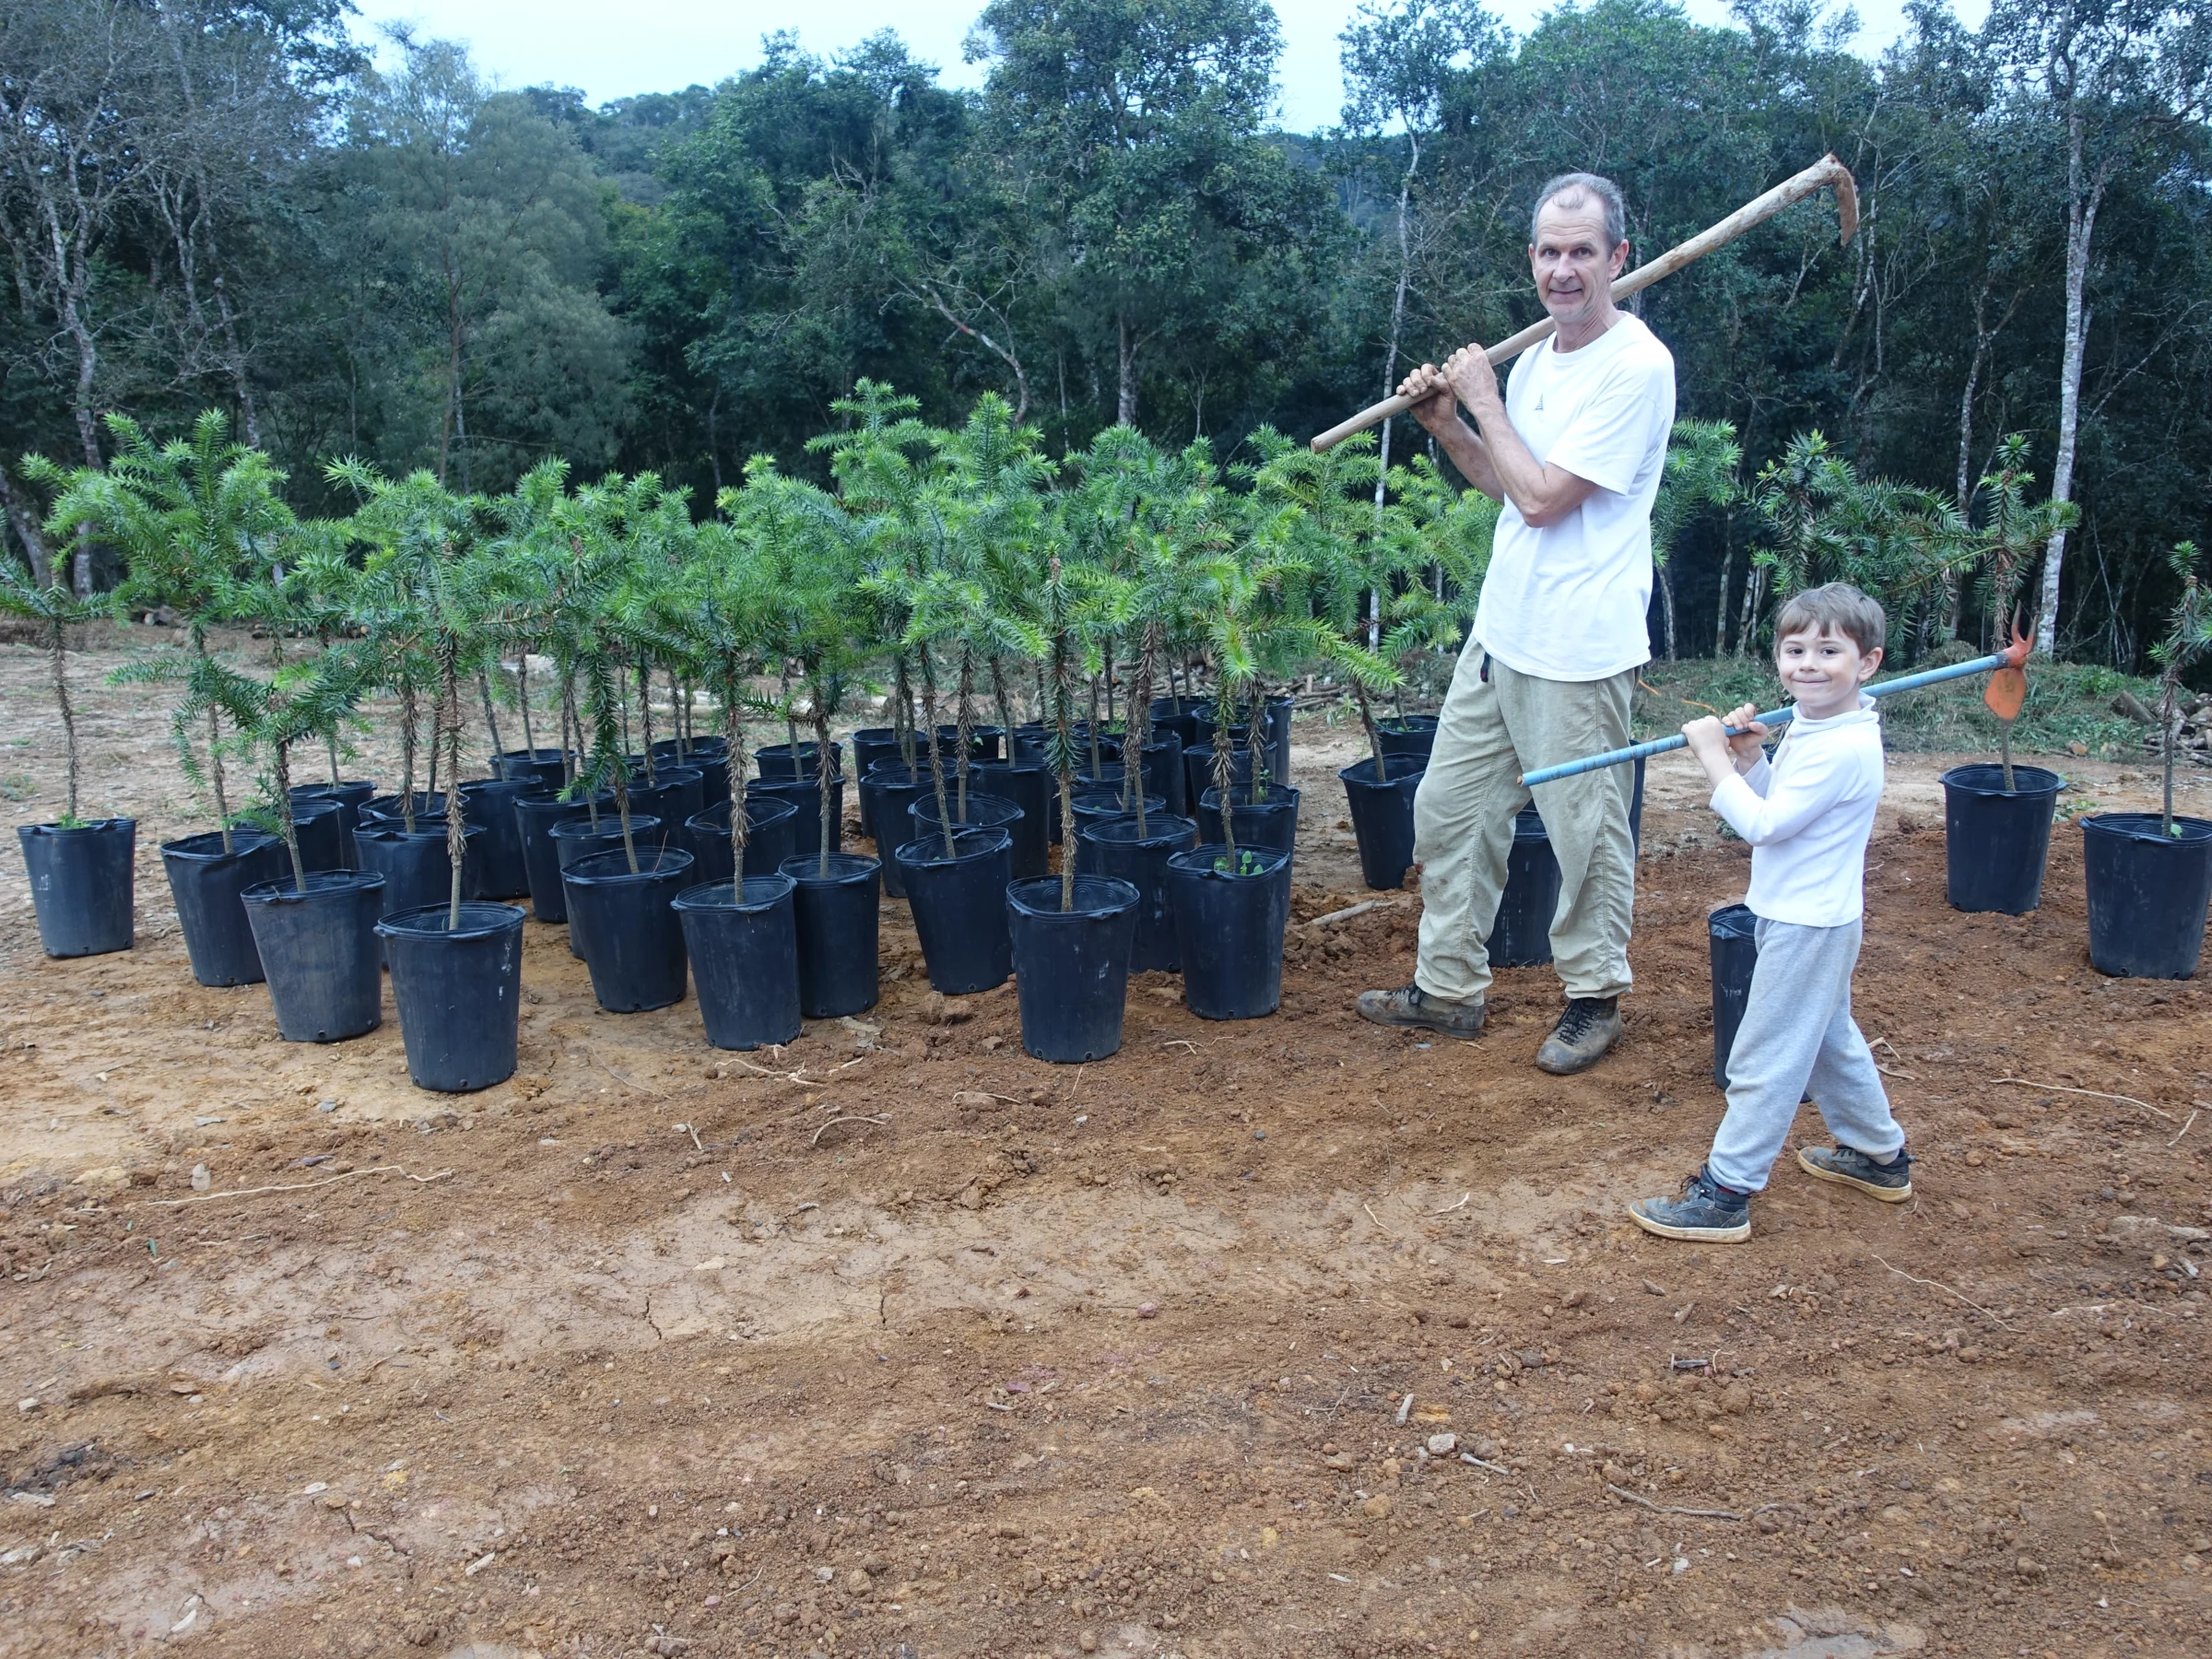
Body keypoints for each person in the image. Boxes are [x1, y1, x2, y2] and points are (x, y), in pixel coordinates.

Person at [1357, 171, 1674, 1074]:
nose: (1563, 269)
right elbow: (1508, 486)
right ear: (1531, 258)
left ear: (1618, 257)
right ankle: (1448, 989)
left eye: (1583, 251)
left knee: (1584, 831)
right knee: (1450, 810)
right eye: (1550, 251)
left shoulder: (1637, 367)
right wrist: (1449, 425)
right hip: (1502, 635)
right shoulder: (1535, 359)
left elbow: (1545, 500)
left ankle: (1594, 999)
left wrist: (1484, 400)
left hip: (1578, 648)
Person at [1630, 582, 1912, 1242]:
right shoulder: (1822, 725)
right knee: (1826, 1039)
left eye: (1829, 651)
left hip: (1809, 924)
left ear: (1868, 663)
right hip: (1806, 915)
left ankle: (1726, 1192)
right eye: (1795, 650)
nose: (1808, 664)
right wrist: (1752, 759)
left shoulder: (1842, 746)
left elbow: (1762, 826)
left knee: (1765, 1056)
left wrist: (1711, 759)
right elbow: (1785, 808)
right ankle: (1878, 1155)